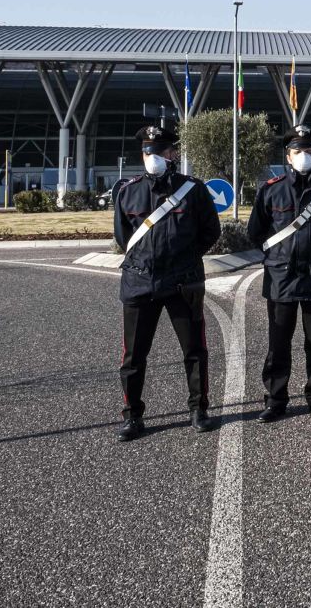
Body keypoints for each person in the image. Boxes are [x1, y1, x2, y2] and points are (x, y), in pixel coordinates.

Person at [113, 125, 221, 442]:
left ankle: (198, 409)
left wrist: (184, 258)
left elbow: (210, 232)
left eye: (159, 151)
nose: (153, 157)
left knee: (194, 350)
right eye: (148, 151)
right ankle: (133, 416)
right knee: (133, 356)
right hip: (139, 282)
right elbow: (124, 238)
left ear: (172, 154)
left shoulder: (193, 189)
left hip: (182, 282)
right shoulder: (127, 191)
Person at [248, 124, 311, 422]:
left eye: (308, 150)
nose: (303, 155)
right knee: (278, 343)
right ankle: (275, 400)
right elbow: (256, 233)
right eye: (297, 151)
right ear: (288, 156)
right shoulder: (270, 190)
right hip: (281, 277)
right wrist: (281, 258)